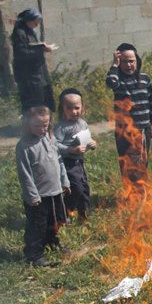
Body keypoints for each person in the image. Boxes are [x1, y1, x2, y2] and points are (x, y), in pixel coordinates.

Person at [16, 105, 70, 267]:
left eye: (45, 125)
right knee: (37, 226)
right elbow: (25, 174)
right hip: (38, 197)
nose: (42, 129)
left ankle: (52, 242)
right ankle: (34, 254)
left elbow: (59, 161)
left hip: (55, 192)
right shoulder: (24, 146)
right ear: (27, 124)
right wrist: (32, 196)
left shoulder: (50, 138)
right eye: (37, 126)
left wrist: (64, 181)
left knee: (55, 221)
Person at [106, 43, 152, 185]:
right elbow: (110, 82)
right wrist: (114, 65)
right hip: (124, 131)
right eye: (124, 61)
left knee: (141, 161)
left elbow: (151, 102)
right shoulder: (118, 81)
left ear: (137, 61)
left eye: (131, 61)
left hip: (143, 129)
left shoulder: (144, 78)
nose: (128, 65)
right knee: (126, 162)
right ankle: (129, 190)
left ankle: (141, 189)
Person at [53, 88, 96, 219]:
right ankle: (66, 210)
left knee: (84, 188)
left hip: (79, 162)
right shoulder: (61, 127)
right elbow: (54, 145)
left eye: (77, 108)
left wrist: (92, 143)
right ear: (62, 109)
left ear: (82, 107)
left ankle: (85, 214)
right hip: (67, 163)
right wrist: (71, 150)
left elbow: (87, 138)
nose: (74, 111)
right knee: (76, 187)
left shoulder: (83, 123)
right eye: (69, 108)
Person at [11, 8, 58, 111]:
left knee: (46, 100)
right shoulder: (19, 33)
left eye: (38, 22)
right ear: (28, 20)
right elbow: (22, 53)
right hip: (29, 76)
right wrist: (42, 49)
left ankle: (47, 118)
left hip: (39, 73)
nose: (37, 25)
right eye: (35, 22)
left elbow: (32, 46)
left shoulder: (30, 31)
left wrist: (41, 46)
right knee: (35, 104)